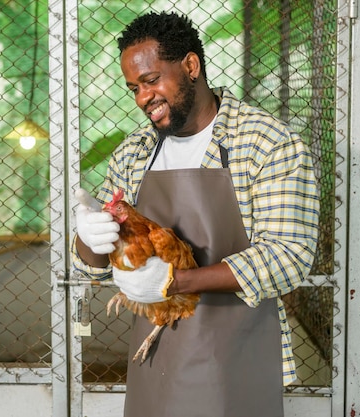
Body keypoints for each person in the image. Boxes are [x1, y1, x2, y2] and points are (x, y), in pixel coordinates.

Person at [72, 11, 320, 417]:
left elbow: (289, 255)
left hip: (238, 354)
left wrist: (175, 280)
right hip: (156, 355)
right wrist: (89, 237)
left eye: (151, 81)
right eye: (133, 88)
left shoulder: (265, 142)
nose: (142, 98)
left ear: (190, 66)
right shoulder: (134, 152)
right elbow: (95, 266)